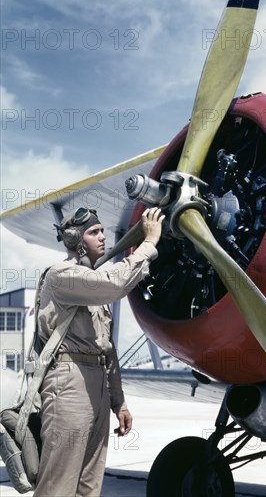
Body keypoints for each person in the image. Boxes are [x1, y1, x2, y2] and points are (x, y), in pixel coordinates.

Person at [33, 206, 165, 497]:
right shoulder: (62, 275)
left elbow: (107, 350)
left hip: (96, 385)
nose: (103, 237)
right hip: (69, 384)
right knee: (58, 485)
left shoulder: (92, 286)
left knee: (88, 487)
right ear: (76, 240)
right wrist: (149, 242)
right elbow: (116, 283)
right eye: (94, 232)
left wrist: (119, 402)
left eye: (103, 231)